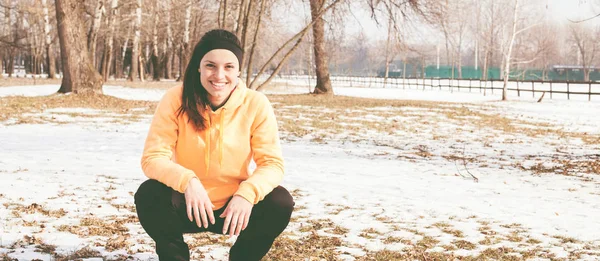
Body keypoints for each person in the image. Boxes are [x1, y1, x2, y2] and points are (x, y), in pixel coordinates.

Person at [134, 29, 294, 261]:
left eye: (229, 66)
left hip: (235, 210)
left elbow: (272, 164)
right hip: (188, 204)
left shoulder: (256, 104)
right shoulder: (175, 98)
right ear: (199, 66)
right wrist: (188, 181)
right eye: (210, 65)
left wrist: (247, 194)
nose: (219, 75)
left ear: (238, 70)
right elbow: (153, 158)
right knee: (149, 194)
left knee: (280, 202)